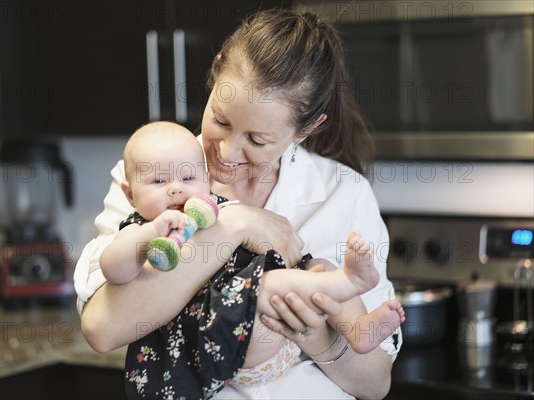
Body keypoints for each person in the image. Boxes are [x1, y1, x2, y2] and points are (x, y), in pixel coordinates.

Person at [75, 9, 403, 400]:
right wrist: (234, 227)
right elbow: (103, 327)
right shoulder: (153, 177)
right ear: (214, 75)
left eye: (258, 140)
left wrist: (314, 334)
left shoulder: (343, 193)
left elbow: (375, 383)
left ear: (307, 129)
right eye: (221, 120)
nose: (227, 152)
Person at [99, 121, 405, 395]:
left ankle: (358, 329)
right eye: (158, 183)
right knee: (269, 284)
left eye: (189, 177)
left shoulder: (216, 209)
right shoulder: (139, 226)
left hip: (283, 349)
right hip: (232, 345)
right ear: (130, 194)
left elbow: (376, 385)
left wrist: (323, 338)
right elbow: (113, 272)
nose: (176, 189)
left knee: (319, 269)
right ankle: (348, 281)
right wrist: (151, 232)